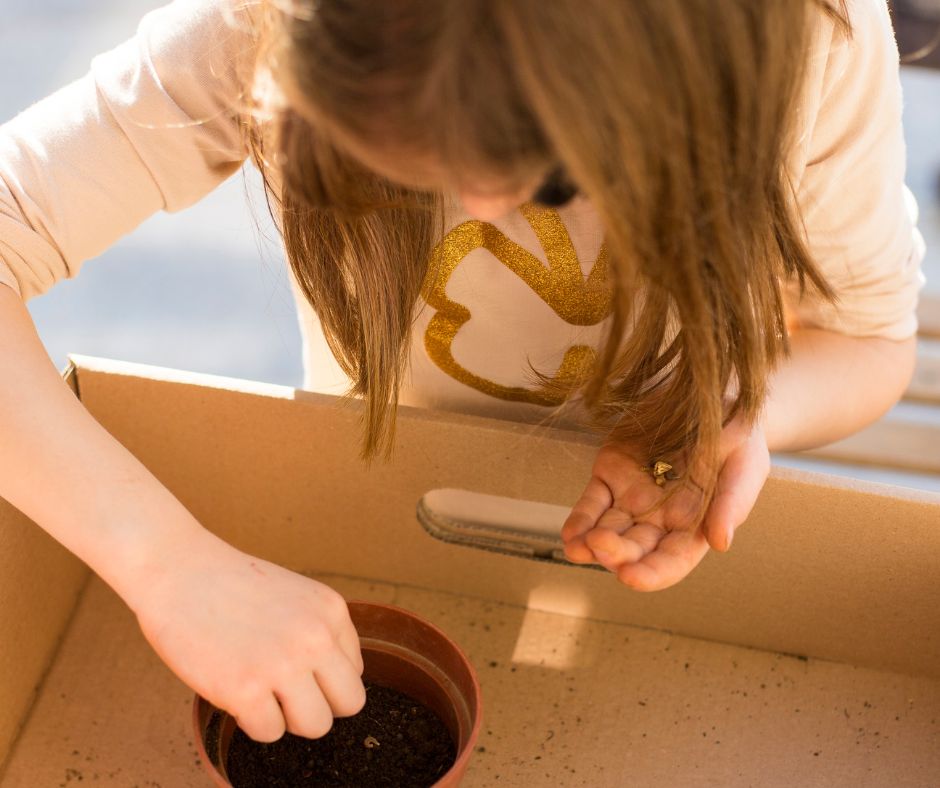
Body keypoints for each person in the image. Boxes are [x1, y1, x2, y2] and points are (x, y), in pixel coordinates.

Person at [0, 0, 923, 746]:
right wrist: (168, 564)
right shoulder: (261, 25)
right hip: (365, 488)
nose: (481, 209)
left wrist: (736, 411)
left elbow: (870, 341)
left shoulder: (812, 44)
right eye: (389, 165)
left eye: (551, 175)